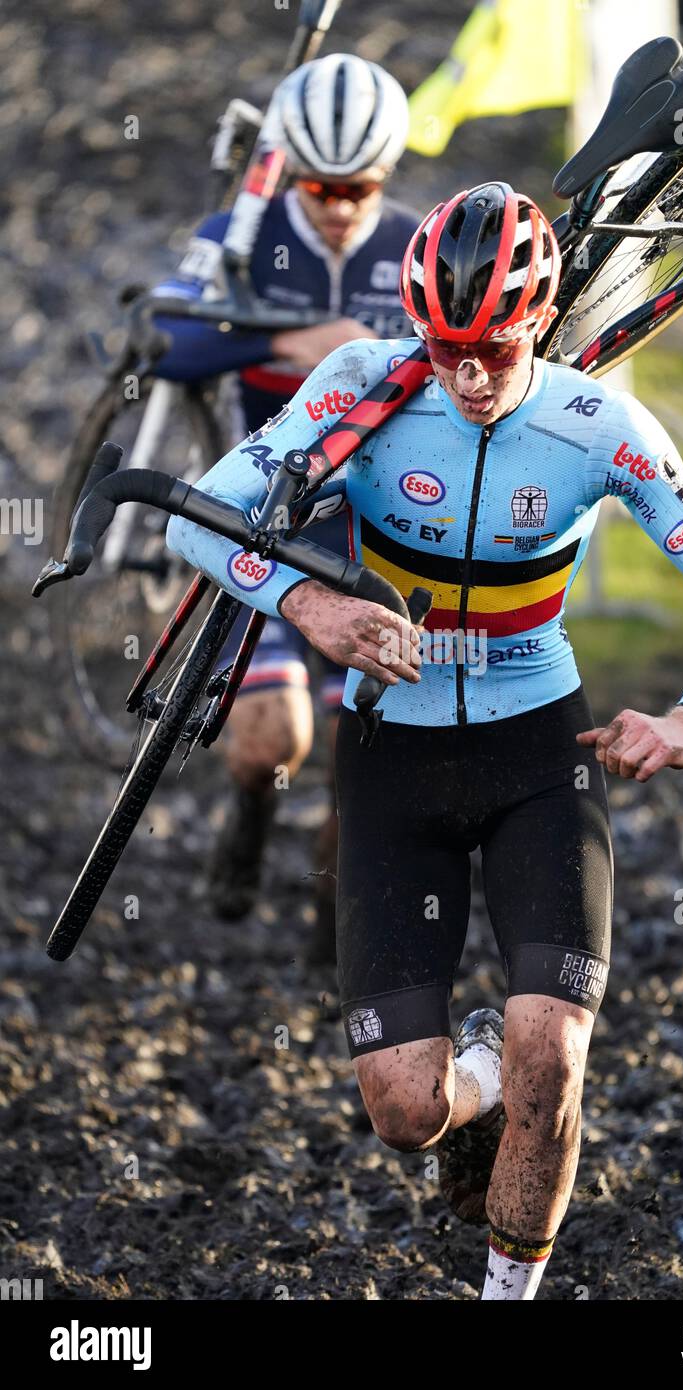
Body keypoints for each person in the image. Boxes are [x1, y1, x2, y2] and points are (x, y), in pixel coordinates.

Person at [166, 182, 683, 1300]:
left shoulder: (597, 426)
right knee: (407, 1114)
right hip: (391, 759)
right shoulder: (362, 384)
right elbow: (191, 514)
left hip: (540, 753)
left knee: (556, 1064)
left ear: (538, 323)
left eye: (493, 349)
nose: (466, 376)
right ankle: (476, 1063)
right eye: (446, 346)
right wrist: (309, 607)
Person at [152, 53, 418, 934]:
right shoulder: (245, 230)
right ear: (289, 169)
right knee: (275, 742)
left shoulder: (419, 244)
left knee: (363, 755)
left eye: (360, 187)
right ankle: (254, 812)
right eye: (318, 186)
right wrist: (301, 341)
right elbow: (168, 340)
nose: (339, 209)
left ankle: (332, 904)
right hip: (262, 512)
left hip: (379, 525)